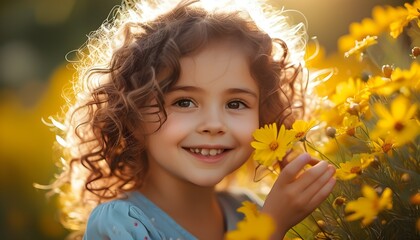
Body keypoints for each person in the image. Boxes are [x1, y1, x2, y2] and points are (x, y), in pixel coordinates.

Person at [48, 0, 336, 239]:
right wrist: (269, 228)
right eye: (184, 102)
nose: (214, 124)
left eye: (236, 103)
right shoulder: (120, 224)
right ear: (132, 116)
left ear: (265, 116)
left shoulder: (246, 211)